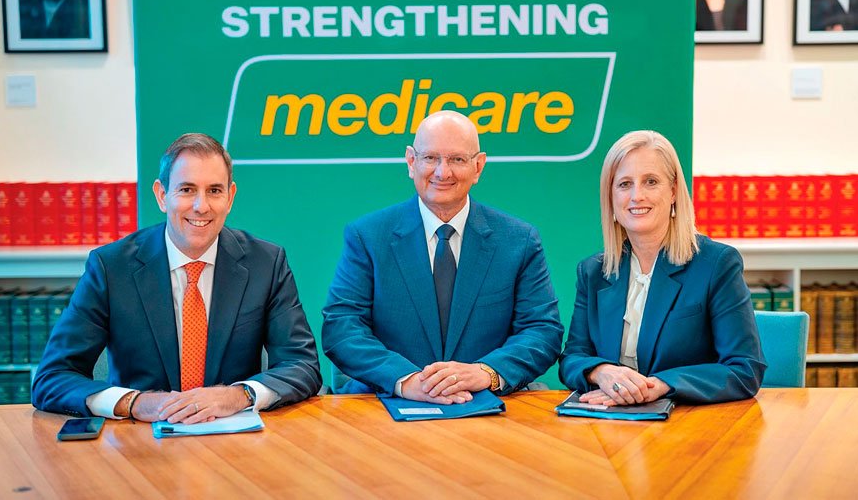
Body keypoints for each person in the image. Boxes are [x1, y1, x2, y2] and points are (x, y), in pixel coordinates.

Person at [32, 133, 321, 423]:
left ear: (230, 197)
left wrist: (240, 395)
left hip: (236, 441)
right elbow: (53, 378)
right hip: (140, 441)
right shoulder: (111, 267)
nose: (201, 206)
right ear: (161, 195)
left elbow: (302, 364)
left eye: (215, 191)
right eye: (186, 190)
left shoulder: (266, 264)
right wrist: (134, 403)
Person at [322, 110, 563, 404]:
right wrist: (407, 381)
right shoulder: (367, 236)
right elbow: (342, 326)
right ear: (411, 162)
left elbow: (541, 330)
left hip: (486, 405)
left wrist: (485, 373)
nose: (442, 172)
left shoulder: (519, 240)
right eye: (430, 158)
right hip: (387, 403)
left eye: (457, 159)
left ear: (478, 167)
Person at [559, 130, 765, 405]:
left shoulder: (717, 264)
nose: (637, 196)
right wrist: (602, 372)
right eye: (624, 184)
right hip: (607, 423)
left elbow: (744, 369)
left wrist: (660, 385)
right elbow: (573, 357)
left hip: (688, 426)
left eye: (651, 182)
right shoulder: (593, 272)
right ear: (610, 197)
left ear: (673, 191)